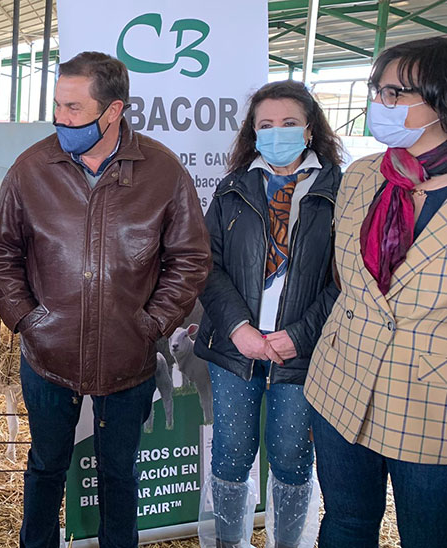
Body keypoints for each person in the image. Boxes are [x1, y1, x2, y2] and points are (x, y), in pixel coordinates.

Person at [0, 51, 211, 548]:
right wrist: (25, 317)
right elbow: (0, 250)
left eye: (74, 109)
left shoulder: (162, 172)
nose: (61, 118)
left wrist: (150, 322)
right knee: (45, 466)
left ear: (113, 111)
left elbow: (190, 257)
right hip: (47, 355)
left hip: (128, 358)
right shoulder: (31, 168)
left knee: (119, 473)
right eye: (58, 106)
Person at [306, 36, 447, 548]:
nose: (379, 105)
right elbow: (345, 279)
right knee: (345, 523)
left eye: (396, 94)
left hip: (431, 400)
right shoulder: (364, 176)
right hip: (342, 383)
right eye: (377, 91)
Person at [193, 80, 343, 548]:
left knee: (292, 456)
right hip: (237, 349)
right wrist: (239, 328)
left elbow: (347, 279)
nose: (277, 132)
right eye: (266, 125)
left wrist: (300, 334)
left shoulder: (340, 190)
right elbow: (208, 265)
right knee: (232, 455)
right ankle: (229, 541)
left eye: (289, 123)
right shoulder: (233, 188)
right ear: (253, 133)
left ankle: (289, 542)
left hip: (303, 352)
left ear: (310, 129)